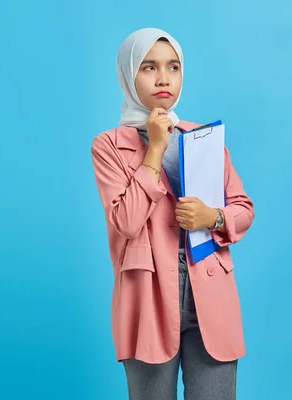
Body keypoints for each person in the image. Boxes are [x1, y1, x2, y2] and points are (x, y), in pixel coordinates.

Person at [90, 27, 255, 400]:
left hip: (209, 290)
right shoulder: (109, 146)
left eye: (173, 67)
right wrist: (155, 149)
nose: (164, 78)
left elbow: (242, 208)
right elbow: (126, 221)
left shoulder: (204, 137)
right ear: (128, 74)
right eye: (149, 67)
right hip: (148, 293)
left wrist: (212, 217)